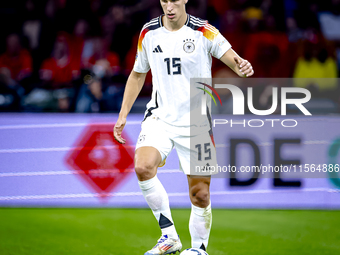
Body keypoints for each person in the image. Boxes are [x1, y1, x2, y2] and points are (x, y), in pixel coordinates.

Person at [113, 0, 253, 254]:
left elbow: (233, 59)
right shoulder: (148, 32)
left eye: (174, 0)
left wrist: (241, 66)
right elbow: (137, 74)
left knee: (200, 194)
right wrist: (123, 113)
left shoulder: (204, 31)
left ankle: (199, 249)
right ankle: (169, 235)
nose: (169, 5)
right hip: (160, 118)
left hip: (197, 123)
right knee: (143, 166)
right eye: (164, 0)